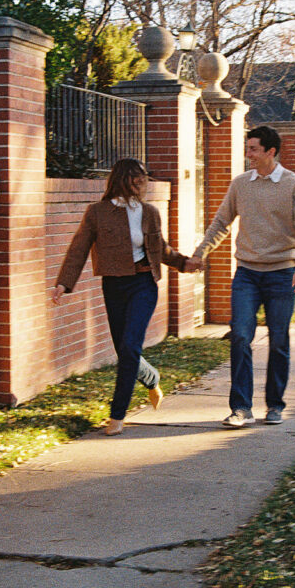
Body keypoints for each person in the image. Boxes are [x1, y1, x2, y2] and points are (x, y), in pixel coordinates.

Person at [51, 158, 191, 436]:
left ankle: (117, 415)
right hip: (114, 287)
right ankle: (151, 378)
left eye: (144, 178)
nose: (142, 183)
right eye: (137, 178)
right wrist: (64, 284)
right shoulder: (97, 212)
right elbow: (78, 248)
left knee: (129, 346)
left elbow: (159, 249)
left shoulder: (150, 212)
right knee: (124, 351)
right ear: (122, 180)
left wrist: (184, 263)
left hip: (144, 285)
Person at [189, 125, 295, 428]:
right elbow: (222, 221)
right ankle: (241, 408)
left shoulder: (294, 185)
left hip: (281, 273)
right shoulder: (241, 184)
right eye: (247, 149)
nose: (248, 155)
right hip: (246, 272)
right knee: (241, 336)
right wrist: (200, 253)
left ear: (271, 152)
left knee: (278, 341)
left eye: (254, 149)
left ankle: (275, 405)